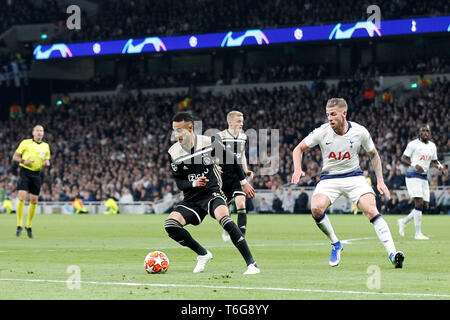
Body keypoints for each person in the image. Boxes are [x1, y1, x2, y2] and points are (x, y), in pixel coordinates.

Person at [291, 98, 404, 268]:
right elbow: (298, 148)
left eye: (333, 114)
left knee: (371, 209)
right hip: (330, 178)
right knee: (316, 208)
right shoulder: (322, 132)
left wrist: (380, 179)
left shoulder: (360, 132)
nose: (330, 118)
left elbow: (373, 154)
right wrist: (297, 169)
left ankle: (393, 254)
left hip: (354, 177)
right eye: (328, 114)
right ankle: (336, 243)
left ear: (344, 113)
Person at [165, 112, 260, 274]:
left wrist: (244, 182)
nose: (176, 134)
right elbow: (180, 182)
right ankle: (203, 254)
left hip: (211, 193)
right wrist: (193, 183)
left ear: (191, 128)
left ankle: (251, 264)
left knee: (225, 219)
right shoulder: (173, 152)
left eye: (180, 130)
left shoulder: (209, 142)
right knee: (170, 225)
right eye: (174, 130)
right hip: (191, 199)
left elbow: (233, 159)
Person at [398, 124, 444, 240]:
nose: (425, 133)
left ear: (429, 133)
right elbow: (404, 158)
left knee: (425, 206)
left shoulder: (432, 146)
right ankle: (417, 233)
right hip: (413, 175)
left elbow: (434, 160)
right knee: (418, 203)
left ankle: (403, 221)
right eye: (423, 131)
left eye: (427, 131)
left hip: (423, 176)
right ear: (419, 132)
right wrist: (414, 164)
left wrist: (440, 166)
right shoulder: (413, 144)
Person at [217, 111, 253, 241]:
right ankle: (227, 229)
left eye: (242, 121)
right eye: (238, 121)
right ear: (230, 122)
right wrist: (216, 165)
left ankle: (241, 237)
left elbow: (242, 155)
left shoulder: (244, 137)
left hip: (238, 175)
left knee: (241, 202)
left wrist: (246, 169)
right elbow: (213, 154)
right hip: (224, 176)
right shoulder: (220, 136)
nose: (241, 124)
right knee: (225, 208)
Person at [12, 125, 51, 238]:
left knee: (34, 200)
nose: (39, 132)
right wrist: (24, 160)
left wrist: (46, 162)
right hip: (25, 171)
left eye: (41, 131)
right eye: (37, 130)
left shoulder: (46, 146)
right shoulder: (25, 143)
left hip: (36, 174)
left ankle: (28, 226)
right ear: (33, 132)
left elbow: (46, 159)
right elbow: (15, 157)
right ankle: (19, 225)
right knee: (22, 196)